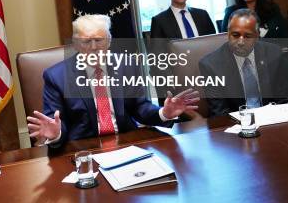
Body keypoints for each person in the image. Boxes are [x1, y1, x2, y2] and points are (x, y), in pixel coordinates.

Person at [26, 14, 199, 148]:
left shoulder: (127, 65)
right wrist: (56, 133)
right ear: (76, 44)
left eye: (99, 40)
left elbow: (140, 107)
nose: (94, 47)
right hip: (84, 149)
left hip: (126, 143)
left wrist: (164, 113)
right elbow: (55, 123)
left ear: (109, 41)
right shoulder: (56, 76)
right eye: (86, 42)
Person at [199, 9, 288, 117]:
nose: (241, 42)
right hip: (236, 127)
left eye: (247, 36)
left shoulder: (274, 53)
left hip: (272, 121)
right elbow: (220, 114)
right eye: (235, 35)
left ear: (257, 35)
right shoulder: (211, 65)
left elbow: (283, 100)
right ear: (228, 34)